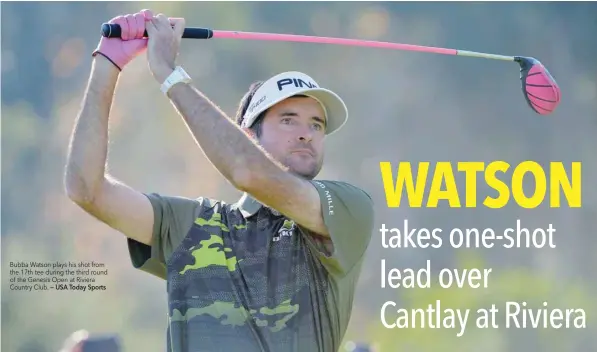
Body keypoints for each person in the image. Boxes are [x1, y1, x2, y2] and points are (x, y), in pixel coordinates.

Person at [64, 9, 375, 352]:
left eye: (316, 124)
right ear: (248, 135)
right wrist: (107, 62)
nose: (307, 134)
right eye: (289, 120)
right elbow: (86, 189)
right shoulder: (194, 226)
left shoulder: (347, 208)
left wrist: (169, 75)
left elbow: (248, 173)